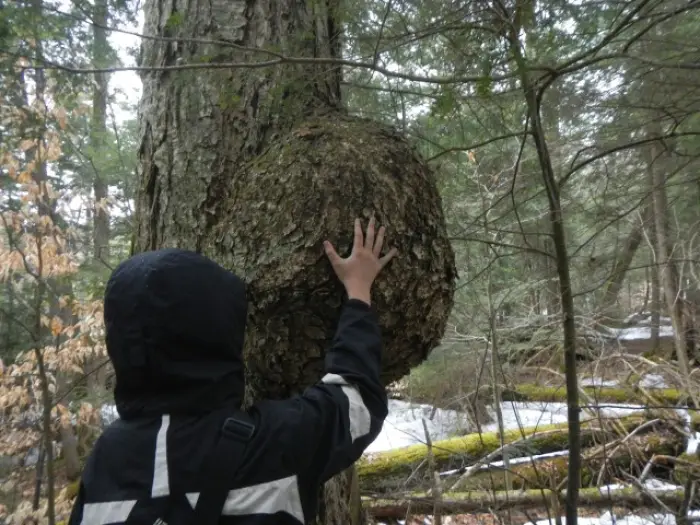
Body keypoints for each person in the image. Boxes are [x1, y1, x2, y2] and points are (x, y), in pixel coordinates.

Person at [68, 218, 398, 525]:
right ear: (220, 331)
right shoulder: (272, 446)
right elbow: (358, 401)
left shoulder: (106, 462)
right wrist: (358, 293)